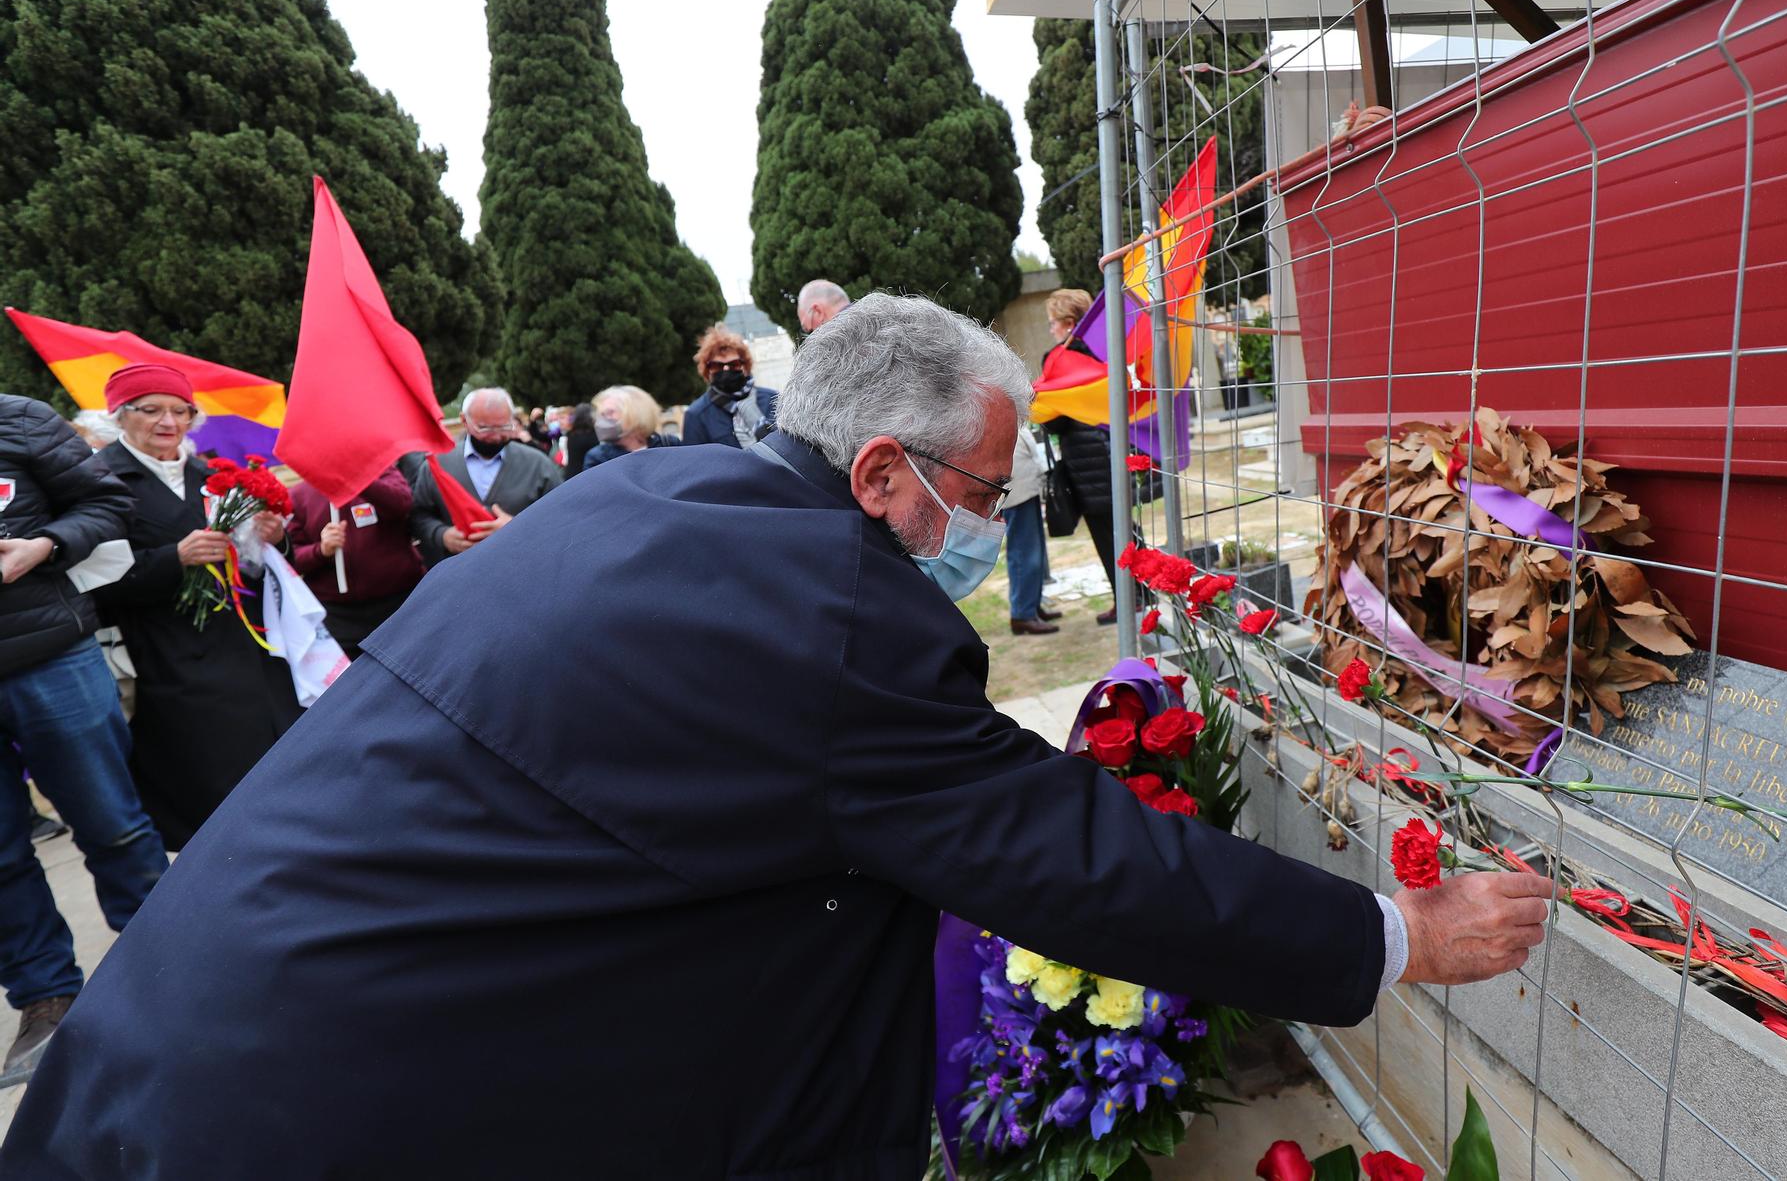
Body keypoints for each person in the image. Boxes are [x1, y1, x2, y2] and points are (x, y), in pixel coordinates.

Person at [0, 295, 1551, 1179]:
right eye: (986, 496)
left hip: (184, 1055)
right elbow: (1063, 853)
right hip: (307, 1117)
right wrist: (1392, 935)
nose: (989, 530)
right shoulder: (824, 612)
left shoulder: (660, 500)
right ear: (884, 471)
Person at [0, 394, 168, 1077]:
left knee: (113, 823)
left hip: (51, 657)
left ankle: (168, 963)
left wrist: (43, 544)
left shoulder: (20, 419)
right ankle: (46, 998)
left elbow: (106, 503)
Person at [88, 365, 301, 851]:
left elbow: (251, 569)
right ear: (121, 416)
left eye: (180, 410)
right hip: (165, 653)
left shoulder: (211, 474)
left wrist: (273, 541)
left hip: (242, 646)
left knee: (274, 767)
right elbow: (92, 581)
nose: (169, 421)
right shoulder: (99, 482)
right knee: (212, 790)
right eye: (152, 410)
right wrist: (172, 559)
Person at [1039, 287, 1124, 625]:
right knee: (1123, 529)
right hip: (1111, 448)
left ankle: (1127, 600)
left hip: (1085, 459)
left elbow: (1056, 420)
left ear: (1069, 323)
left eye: (1052, 323)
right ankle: (1138, 593)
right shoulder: (1105, 351)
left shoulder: (1058, 359)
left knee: (1106, 534)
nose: (1051, 330)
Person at [408, 387, 563, 566]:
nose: (496, 436)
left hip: (522, 569)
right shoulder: (438, 465)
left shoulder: (537, 464)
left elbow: (562, 516)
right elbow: (418, 515)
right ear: (464, 421)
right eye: (485, 428)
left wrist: (519, 529)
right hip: (458, 574)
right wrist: (441, 535)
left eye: (505, 426)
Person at [284, 468, 425, 657]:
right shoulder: (299, 495)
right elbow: (292, 558)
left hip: (400, 602)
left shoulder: (383, 472)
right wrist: (321, 550)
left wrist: (360, 480)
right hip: (338, 616)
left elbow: (402, 504)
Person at [998, 424, 1060, 636]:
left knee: (1035, 552)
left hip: (1025, 488)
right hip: (1017, 492)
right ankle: (1023, 613)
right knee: (1025, 554)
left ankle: (1031, 606)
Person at [680, 327, 779, 449]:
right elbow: (695, 463)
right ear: (707, 369)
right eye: (717, 365)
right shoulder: (696, 415)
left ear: (745, 365)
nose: (726, 369)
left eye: (734, 364)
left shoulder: (773, 400)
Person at [581, 386, 678, 470]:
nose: (601, 421)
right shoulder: (598, 458)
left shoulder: (669, 445)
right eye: (601, 415)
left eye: (610, 412)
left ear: (637, 413)